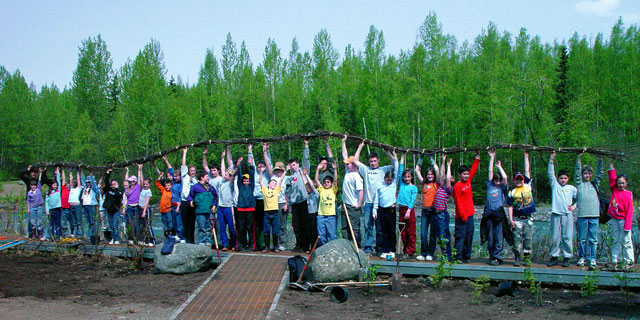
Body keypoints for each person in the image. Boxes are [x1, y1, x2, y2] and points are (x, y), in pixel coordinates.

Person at [353, 141, 395, 254]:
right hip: (368, 202)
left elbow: (395, 164)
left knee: (380, 227)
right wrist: (360, 146)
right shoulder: (366, 170)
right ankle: (368, 247)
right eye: (371, 161)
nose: (373, 163)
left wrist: (388, 153)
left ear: (378, 161)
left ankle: (379, 247)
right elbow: (355, 161)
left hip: (380, 204)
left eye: (375, 161)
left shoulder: (383, 170)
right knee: (368, 226)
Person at [547, 151, 577, 267]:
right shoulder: (555, 186)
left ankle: (567, 257)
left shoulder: (572, 188)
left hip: (567, 215)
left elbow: (579, 199)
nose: (563, 180)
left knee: (567, 237)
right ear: (558, 179)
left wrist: (574, 206)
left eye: (565, 178)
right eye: (561, 178)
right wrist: (551, 160)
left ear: (568, 179)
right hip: (556, 214)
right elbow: (550, 174)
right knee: (555, 237)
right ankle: (554, 256)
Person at [574, 153, 603, 270]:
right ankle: (582, 257)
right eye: (585, 173)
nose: (587, 175)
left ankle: (592, 259)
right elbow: (576, 173)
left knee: (593, 239)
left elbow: (599, 174)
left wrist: (600, 160)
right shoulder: (579, 184)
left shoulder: (595, 183)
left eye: (588, 173)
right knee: (581, 238)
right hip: (582, 215)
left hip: (594, 215)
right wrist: (578, 159)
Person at [507, 151, 535, 266]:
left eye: (521, 179)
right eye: (517, 179)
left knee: (527, 239)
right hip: (517, 218)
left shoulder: (527, 186)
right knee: (517, 239)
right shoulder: (512, 191)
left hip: (528, 218)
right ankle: (517, 258)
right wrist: (511, 220)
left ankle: (527, 258)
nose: (519, 181)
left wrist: (526, 156)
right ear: (514, 180)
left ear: (524, 180)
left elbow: (527, 171)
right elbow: (510, 206)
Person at [607, 158, 634, 270]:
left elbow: (630, 211)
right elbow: (612, 177)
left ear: (626, 183)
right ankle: (614, 260)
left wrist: (627, 226)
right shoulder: (614, 190)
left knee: (626, 240)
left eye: (623, 183)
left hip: (623, 220)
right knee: (616, 240)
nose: (621, 185)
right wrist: (611, 163)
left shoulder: (628, 194)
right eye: (619, 183)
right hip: (614, 219)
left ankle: (629, 261)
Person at [452, 152, 480, 263]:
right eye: (464, 174)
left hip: (470, 214)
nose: (466, 176)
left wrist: (477, 158)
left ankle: (466, 256)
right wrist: (463, 216)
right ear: (459, 174)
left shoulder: (468, 181)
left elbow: (473, 170)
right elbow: (458, 203)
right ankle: (457, 256)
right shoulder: (457, 187)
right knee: (460, 237)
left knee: (469, 236)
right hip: (461, 217)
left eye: (467, 174)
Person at [372, 150, 399, 259]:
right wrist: (374, 211)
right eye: (387, 180)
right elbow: (376, 200)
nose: (389, 181)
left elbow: (396, 170)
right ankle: (385, 249)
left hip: (391, 210)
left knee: (391, 230)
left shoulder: (393, 184)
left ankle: (392, 250)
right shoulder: (380, 186)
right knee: (383, 231)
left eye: (390, 180)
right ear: (384, 179)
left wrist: (393, 157)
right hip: (381, 210)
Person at [483, 151, 508, 266]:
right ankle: (491, 256)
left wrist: (499, 167)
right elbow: (490, 172)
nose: (498, 182)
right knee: (490, 237)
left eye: (499, 180)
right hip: (489, 213)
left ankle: (498, 257)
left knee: (499, 236)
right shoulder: (490, 185)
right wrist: (491, 158)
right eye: (496, 180)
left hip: (498, 214)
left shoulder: (502, 187)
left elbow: (505, 177)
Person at [284, 146, 311, 253]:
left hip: (304, 202)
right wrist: (289, 204)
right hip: (294, 203)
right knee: (296, 225)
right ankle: (298, 244)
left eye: (294, 165)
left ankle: (306, 245)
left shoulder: (303, 171)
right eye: (291, 166)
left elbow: (306, 159)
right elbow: (287, 190)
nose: (293, 167)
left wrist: (306, 147)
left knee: (305, 225)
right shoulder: (290, 177)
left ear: (298, 164)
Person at [414, 156, 440, 261]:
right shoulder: (424, 183)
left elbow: (437, 170)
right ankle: (423, 253)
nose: (430, 176)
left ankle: (430, 253)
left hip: (433, 211)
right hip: (424, 211)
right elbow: (416, 171)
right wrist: (420, 158)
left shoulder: (436, 184)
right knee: (423, 234)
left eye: (431, 174)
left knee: (432, 234)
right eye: (428, 174)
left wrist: (431, 159)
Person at [340, 135, 364, 245]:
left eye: (348, 164)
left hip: (353, 206)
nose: (346, 165)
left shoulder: (357, 176)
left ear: (353, 164)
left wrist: (359, 204)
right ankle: (346, 245)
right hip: (345, 205)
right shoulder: (348, 172)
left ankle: (356, 246)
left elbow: (361, 191)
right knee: (344, 228)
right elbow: (344, 155)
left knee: (354, 228)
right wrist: (343, 142)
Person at [249, 143, 272, 251]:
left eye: (262, 166)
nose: (260, 168)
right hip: (255, 200)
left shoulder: (267, 175)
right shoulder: (254, 174)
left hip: (265, 200)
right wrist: (250, 149)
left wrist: (266, 151)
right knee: (256, 223)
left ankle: (263, 243)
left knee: (264, 222)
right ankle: (256, 243)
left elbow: (269, 163)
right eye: (259, 167)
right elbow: (251, 163)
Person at [187, 171, 219, 246]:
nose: (208, 178)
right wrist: (191, 201)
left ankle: (208, 241)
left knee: (209, 227)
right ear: (202, 177)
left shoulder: (211, 187)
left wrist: (214, 205)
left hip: (210, 211)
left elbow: (215, 197)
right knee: (201, 227)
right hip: (200, 211)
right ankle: (202, 241)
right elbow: (190, 196)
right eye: (207, 176)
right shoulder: (195, 187)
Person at [397, 152, 418, 259]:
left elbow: (412, 200)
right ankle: (405, 250)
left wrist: (409, 211)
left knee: (411, 231)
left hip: (409, 210)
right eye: (405, 177)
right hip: (401, 208)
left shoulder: (413, 188)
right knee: (402, 231)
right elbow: (400, 170)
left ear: (411, 177)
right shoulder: (401, 183)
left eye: (408, 177)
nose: (406, 178)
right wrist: (402, 157)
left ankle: (411, 251)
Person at [259, 166, 285, 252]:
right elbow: (260, 181)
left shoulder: (276, 190)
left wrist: (285, 171)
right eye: (272, 183)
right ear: (268, 184)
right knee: (266, 231)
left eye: (275, 183)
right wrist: (262, 172)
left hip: (275, 213)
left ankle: (276, 246)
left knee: (275, 231)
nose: (274, 184)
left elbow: (281, 180)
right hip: (267, 213)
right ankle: (267, 247)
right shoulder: (265, 190)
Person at [216, 148, 237, 251]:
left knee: (232, 227)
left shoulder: (231, 183)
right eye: (224, 174)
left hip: (229, 207)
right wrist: (222, 158)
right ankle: (225, 244)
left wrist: (234, 171)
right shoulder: (221, 181)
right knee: (222, 227)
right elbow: (223, 169)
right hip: (221, 207)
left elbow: (233, 176)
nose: (224, 175)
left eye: (227, 175)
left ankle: (234, 243)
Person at [315, 161, 338, 246]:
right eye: (324, 182)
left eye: (328, 182)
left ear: (331, 183)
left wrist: (335, 169)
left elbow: (335, 180)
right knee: (321, 235)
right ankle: (323, 250)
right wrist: (318, 169)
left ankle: (332, 249)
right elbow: (316, 180)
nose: (326, 183)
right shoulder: (321, 189)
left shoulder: (333, 189)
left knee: (331, 235)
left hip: (331, 216)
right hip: (321, 215)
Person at [236, 156, 256, 251]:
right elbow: (239, 176)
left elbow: (252, 176)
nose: (246, 182)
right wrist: (239, 166)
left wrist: (251, 165)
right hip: (241, 208)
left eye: (247, 181)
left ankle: (252, 245)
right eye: (244, 181)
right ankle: (241, 245)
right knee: (241, 228)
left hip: (250, 208)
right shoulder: (240, 185)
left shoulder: (251, 186)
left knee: (250, 228)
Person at [163, 154, 184, 238]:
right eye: (174, 176)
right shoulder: (174, 182)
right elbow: (171, 170)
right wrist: (166, 160)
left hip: (178, 205)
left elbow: (180, 197)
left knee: (179, 222)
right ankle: (175, 235)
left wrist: (178, 206)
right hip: (173, 205)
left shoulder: (181, 184)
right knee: (174, 221)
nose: (175, 178)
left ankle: (181, 236)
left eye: (176, 176)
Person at [180, 147, 199, 243]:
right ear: (188, 171)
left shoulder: (196, 180)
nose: (193, 172)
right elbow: (183, 165)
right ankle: (186, 238)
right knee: (185, 222)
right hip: (185, 202)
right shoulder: (185, 177)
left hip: (193, 203)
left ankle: (192, 239)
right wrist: (185, 152)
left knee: (192, 222)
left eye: (194, 171)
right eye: (191, 171)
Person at [103, 169, 124, 244]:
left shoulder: (119, 191)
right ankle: (112, 238)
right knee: (111, 225)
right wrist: (108, 174)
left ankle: (117, 239)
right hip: (109, 210)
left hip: (116, 210)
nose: (113, 185)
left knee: (115, 225)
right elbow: (106, 182)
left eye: (115, 184)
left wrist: (116, 188)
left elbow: (119, 196)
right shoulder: (108, 189)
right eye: (112, 184)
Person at [123, 165, 143, 243]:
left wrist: (139, 169)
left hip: (136, 206)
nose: (131, 183)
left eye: (132, 181)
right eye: (130, 181)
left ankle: (138, 238)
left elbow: (140, 179)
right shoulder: (127, 189)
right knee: (129, 223)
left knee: (137, 223)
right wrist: (127, 171)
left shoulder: (137, 187)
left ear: (134, 181)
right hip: (130, 207)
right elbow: (125, 180)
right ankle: (131, 238)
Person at [80, 170, 101, 240]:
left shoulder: (94, 189)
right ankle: (88, 236)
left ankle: (93, 236)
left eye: (89, 182)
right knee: (88, 221)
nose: (88, 184)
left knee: (93, 221)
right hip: (85, 206)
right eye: (87, 182)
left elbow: (94, 185)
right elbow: (82, 180)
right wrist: (81, 172)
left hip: (91, 206)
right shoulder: (85, 189)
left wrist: (91, 174)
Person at [45, 168, 63, 241]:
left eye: (56, 185)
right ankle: (51, 236)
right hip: (51, 210)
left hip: (58, 209)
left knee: (58, 223)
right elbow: (46, 202)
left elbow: (59, 181)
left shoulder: (58, 190)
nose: (55, 186)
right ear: (51, 185)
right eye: (54, 185)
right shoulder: (48, 193)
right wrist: (47, 210)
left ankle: (58, 236)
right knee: (51, 224)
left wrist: (58, 174)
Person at [26, 170, 45, 239]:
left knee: (39, 221)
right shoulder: (29, 193)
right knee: (33, 221)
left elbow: (39, 181)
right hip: (32, 207)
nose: (33, 186)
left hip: (39, 207)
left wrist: (40, 173)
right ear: (30, 186)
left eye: (34, 185)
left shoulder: (38, 190)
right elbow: (28, 201)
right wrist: (28, 209)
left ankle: (40, 234)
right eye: (32, 185)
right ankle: (33, 234)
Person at [154, 172, 174, 238]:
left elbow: (173, 202)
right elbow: (157, 184)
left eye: (168, 186)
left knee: (170, 223)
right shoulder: (163, 190)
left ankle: (171, 233)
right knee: (164, 224)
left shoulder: (172, 193)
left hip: (168, 210)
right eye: (166, 186)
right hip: (162, 210)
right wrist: (160, 176)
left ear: (171, 186)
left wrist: (172, 207)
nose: (167, 187)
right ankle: (166, 235)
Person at [67, 169, 84, 238]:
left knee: (78, 221)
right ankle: (75, 233)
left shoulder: (78, 188)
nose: (70, 183)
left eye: (72, 183)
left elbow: (79, 180)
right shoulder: (71, 188)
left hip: (77, 206)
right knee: (74, 222)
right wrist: (70, 172)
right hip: (71, 206)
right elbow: (70, 178)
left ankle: (80, 234)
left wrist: (77, 172)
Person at [59, 168, 76, 237]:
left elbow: (71, 180)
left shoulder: (72, 190)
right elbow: (63, 180)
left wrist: (70, 172)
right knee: (63, 223)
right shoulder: (63, 188)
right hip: (64, 208)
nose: (68, 185)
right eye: (67, 184)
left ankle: (72, 234)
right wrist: (63, 171)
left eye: (69, 184)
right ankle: (65, 235)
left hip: (70, 208)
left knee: (72, 222)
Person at [139, 175, 154, 246]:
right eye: (144, 184)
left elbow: (147, 202)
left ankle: (152, 240)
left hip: (146, 209)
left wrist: (144, 211)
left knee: (148, 225)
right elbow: (141, 179)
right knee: (142, 225)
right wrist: (140, 169)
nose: (145, 185)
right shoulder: (143, 189)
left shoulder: (148, 191)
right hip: (140, 209)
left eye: (146, 184)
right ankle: (145, 240)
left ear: (150, 184)